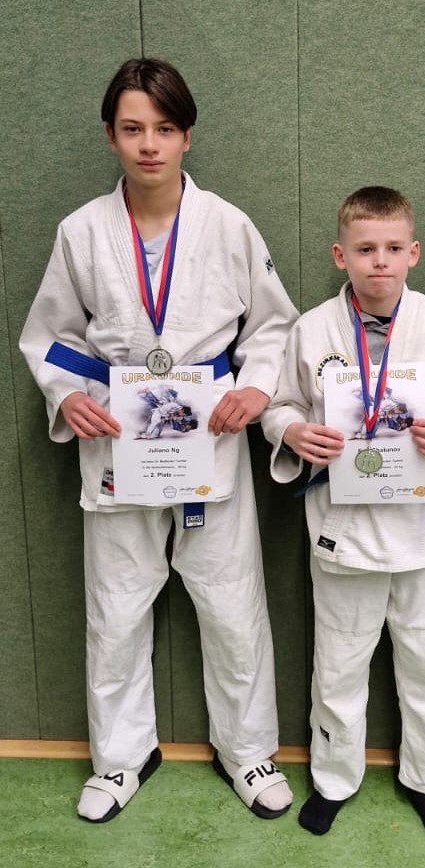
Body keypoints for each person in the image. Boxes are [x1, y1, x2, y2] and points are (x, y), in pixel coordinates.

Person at [19, 59, 298, 823]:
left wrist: (256, 388)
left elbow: (273, 326)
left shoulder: (229, 225)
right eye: (133, 129)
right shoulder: (81, 231)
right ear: (110, 135)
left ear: (186, 137)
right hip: (119, 436)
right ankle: (119, 757)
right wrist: (68, 395)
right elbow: (50, 335)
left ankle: (248, 750)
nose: (150, 145)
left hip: (209, 432)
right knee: (116, 606)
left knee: (232, 602)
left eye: (165, 129)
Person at [261, 187, 425, 841]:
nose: (380, 262)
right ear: (341, 255)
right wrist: (292, 433)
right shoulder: (311, 330)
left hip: (420, 528)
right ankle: (335, 780)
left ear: (414, 253)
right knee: (338, 664)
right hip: (343, 526)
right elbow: (279, 405)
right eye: (365, 249)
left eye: (393, 248)